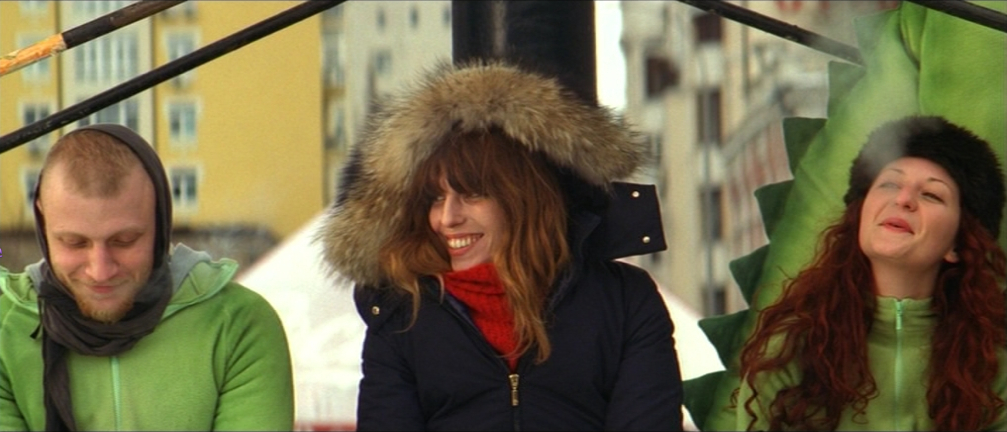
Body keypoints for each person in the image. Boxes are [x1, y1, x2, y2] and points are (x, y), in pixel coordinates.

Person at [317, 60, 684, 430]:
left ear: (525, 198)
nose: (447, 218)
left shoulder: (624, 301)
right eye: (435, 198)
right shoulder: (400, 314)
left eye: (472, 194)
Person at [0, 124, 295, 431]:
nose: (100, 270)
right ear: (42, 219)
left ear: (160, 221)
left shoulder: (237, 324)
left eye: (124, 241)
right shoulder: (5, 331)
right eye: (74, 243)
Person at [725, 116, 1006, 431]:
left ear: (958, 244)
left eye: (931, 195)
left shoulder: (993, 363)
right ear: (859, 215)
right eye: (889, 184)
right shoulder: (791, 348)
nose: (903, 199)